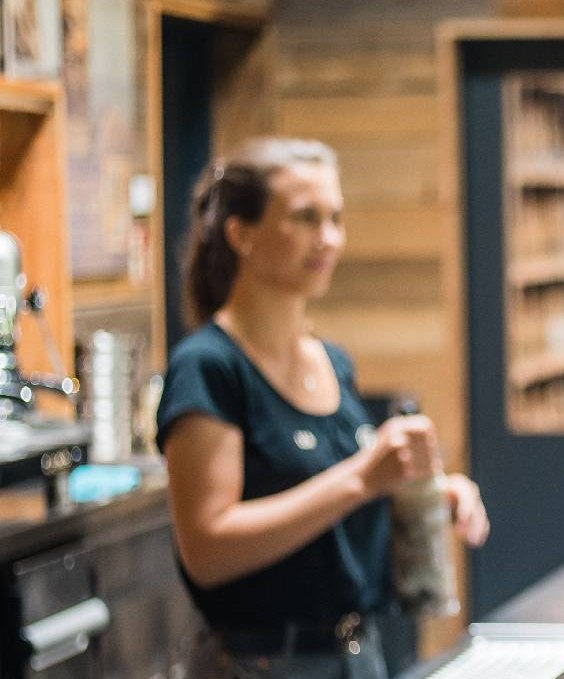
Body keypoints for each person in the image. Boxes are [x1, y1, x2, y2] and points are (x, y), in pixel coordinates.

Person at [157, 138, 490, 678]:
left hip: (357, 656)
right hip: (260, 664)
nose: (329, 238)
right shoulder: (209, 367)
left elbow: (326, 516)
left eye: (336, 218)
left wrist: (427, 495)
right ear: (241, 234)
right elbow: (208, 548)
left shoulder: (332, 362)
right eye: (306, 218)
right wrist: (362, 479)